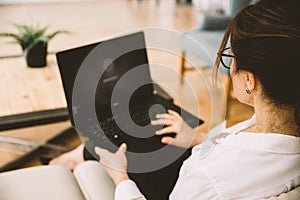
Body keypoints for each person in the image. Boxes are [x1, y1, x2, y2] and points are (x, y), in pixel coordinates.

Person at [51, 0, 300, 199]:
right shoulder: (284, 122)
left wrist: (120, 177)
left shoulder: (208, 179)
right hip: (199, 159)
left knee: (108, 151)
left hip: (178, 185)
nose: (229, 66)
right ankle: (75, 156)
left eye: (230, 58)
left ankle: (66, 162)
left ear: (249, 80)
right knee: (148, 140)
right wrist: (197, 138)